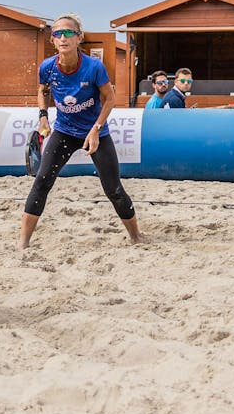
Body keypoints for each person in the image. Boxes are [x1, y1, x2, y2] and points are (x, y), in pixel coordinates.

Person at [19, 13, 145, 250]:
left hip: (96, 132)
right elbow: (42, 91)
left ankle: (136, 237)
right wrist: (43, 116)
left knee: (113, 189)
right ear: (53, 41)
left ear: (79, 38)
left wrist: (96, 129)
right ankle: (23, 244)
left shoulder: (93, 67)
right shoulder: (47, 67)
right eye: (57, 34)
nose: (62, 37)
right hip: (64, 131)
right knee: (42, 182)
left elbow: (110, 99)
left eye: (68, 33)